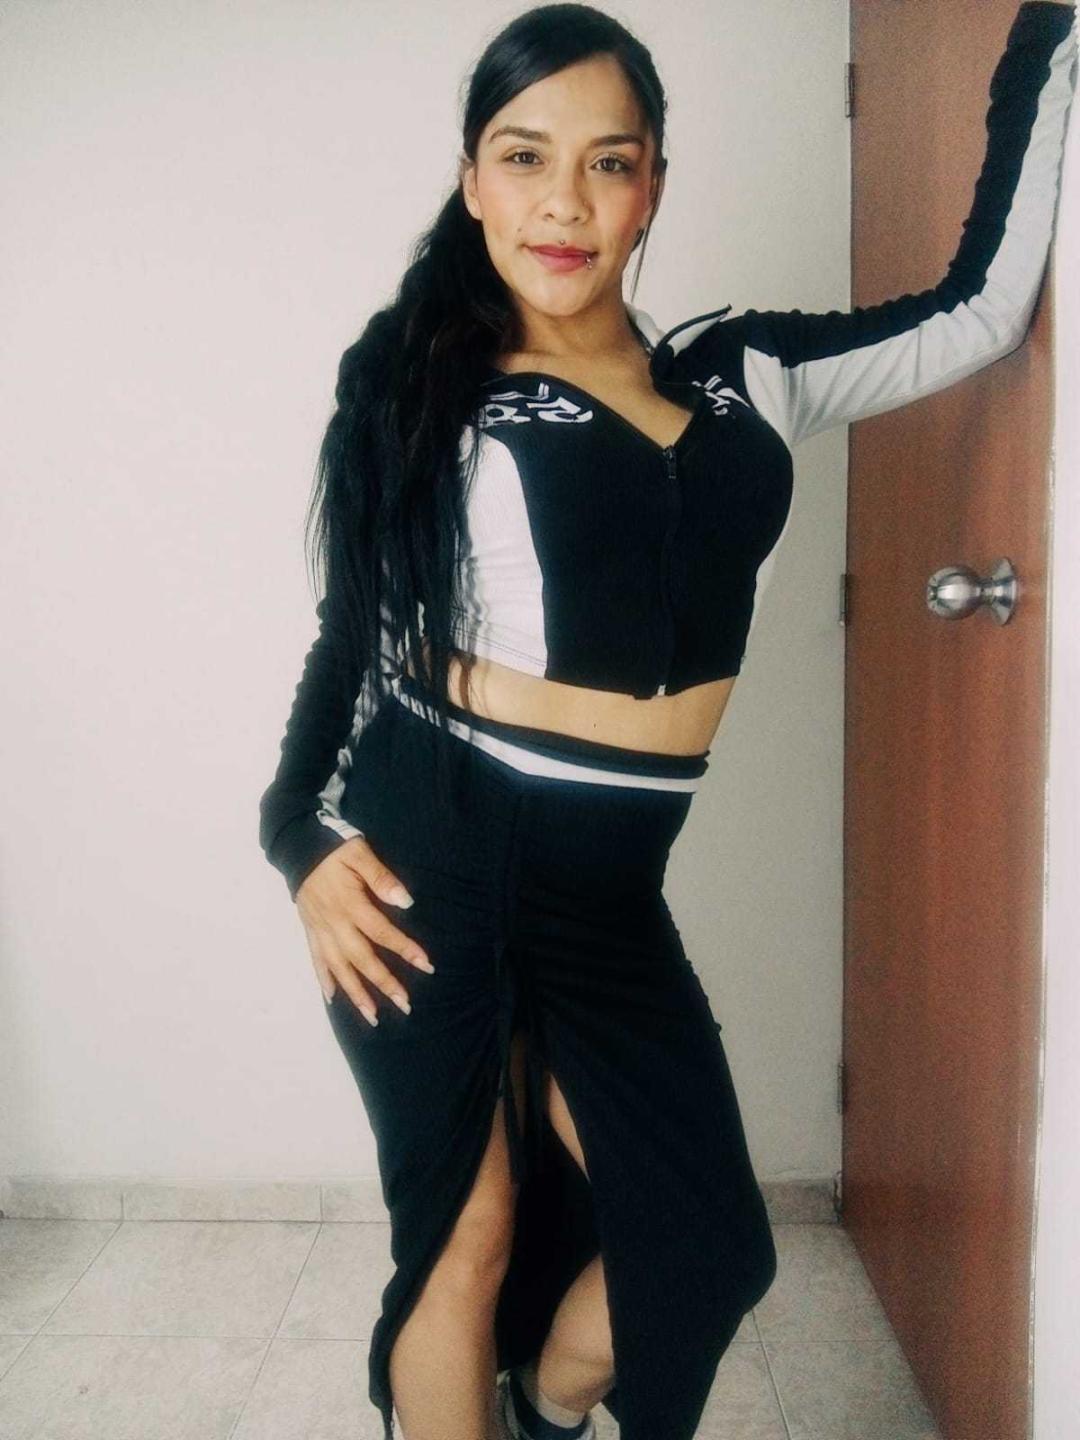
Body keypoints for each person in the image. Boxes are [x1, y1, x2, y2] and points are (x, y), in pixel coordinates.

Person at [257, 3, 1078, 1437]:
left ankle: (540, 1407)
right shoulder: (425, 380)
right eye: (525, 157)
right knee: (463, 1235)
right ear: (473, 179)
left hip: (608, 894)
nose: (564, 203)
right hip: (432, 858)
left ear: (653, 185)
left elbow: (979, 311)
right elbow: (351, 639)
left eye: (609, 161)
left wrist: (1046, 42)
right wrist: (297, 842)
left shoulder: (741, 368)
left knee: (705, 1249)